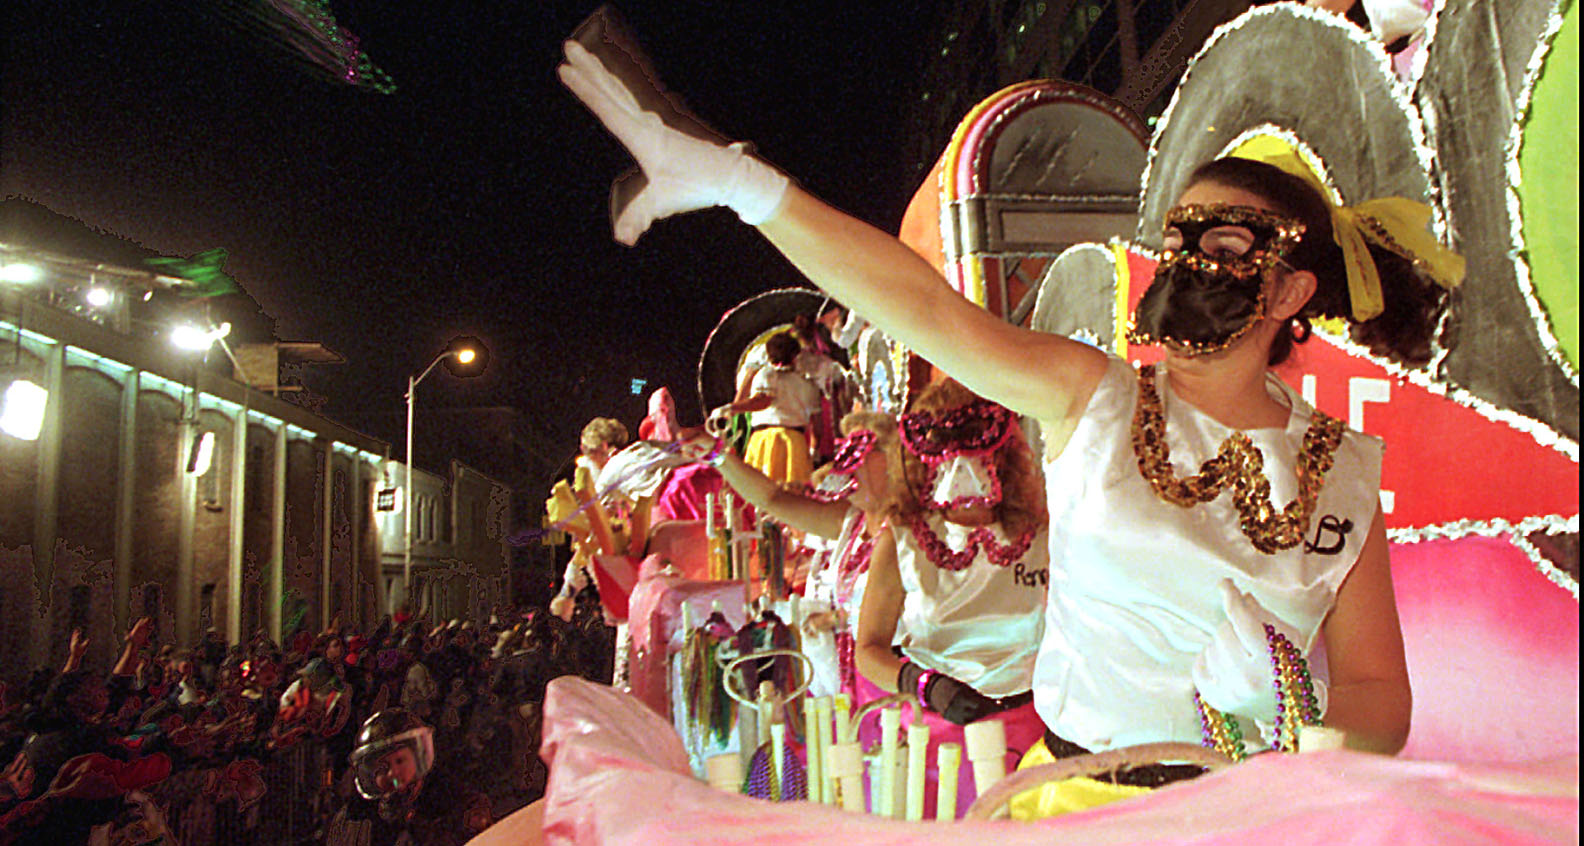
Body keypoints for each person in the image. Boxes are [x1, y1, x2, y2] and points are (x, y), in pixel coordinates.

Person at [559, 38, 1458, 808]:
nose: (1188, 268)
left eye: (1222, 250)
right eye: (1178, 243)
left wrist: (1298, 751)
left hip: (1251, 819)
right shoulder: (1094, 395)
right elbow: (924, 309)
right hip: (1073, 805)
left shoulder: (1344, 469)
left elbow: (1378, 687)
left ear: (1292, 290)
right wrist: (741, 184)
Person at [709, 331, 822, 486]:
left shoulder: (767, 375)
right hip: (796, 443)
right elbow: (816, 422)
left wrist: (729, 408)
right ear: (796, 355)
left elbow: (762, 401)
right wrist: (813, 451)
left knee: (763, 491)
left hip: (769, 441)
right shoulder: (808, 384)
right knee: (793, 496)